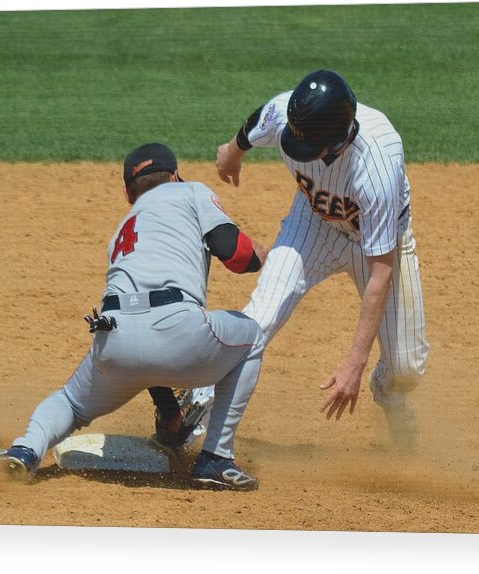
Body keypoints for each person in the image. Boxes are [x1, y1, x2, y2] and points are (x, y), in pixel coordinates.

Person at [152, 70, 429, 452]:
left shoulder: (377, 167)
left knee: (407, 366)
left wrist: (355, 362)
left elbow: (380, 271)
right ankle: (195, 405)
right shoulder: (289, 113)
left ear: (338, 143)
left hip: (376, 242)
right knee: (261, 316)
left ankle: (390, 395)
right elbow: (256, 123)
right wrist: (232, 153)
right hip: (312, 224)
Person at [0, 143, 267, 490]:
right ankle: (216, 457)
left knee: (70, 401)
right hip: (178, 330)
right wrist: (261, 255)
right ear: (176, 176)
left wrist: (169, 413)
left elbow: (143, 337)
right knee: (252, 337)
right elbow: (235, 254)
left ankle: (26, 450)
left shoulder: (122, 230)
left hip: (113, 338)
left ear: (127, 193)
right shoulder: (191, 191)